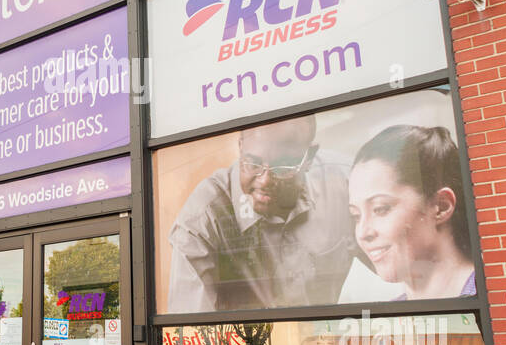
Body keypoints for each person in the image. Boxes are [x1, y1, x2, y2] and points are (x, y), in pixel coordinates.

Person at [167, 115, 354, 312]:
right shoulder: (202, 218)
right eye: (253, 164)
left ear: (309, 157)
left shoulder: (347, 182)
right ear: (240, 148)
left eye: (282, 167)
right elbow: (190, 332)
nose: (264, 181)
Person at [347, 124, 476, 300]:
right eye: (356, 216)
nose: (363, 233)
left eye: (380, 209)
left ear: (441, 206)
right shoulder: (388, 319)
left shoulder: (495, 298)